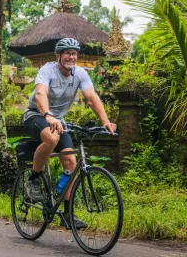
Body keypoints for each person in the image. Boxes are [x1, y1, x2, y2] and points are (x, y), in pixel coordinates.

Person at [23, 38, 117, 229]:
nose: (71, 57)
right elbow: (41, 93)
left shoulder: (80, 74)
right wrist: (48, 115)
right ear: (59, 56)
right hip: (36, 115)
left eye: (74, 53)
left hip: (59, 120)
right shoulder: (47, 70)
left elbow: (91, 98)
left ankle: (67, 214)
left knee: (72, 163)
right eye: (67, 53)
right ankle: (33, 180)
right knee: (51, 137)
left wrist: (105, 122)